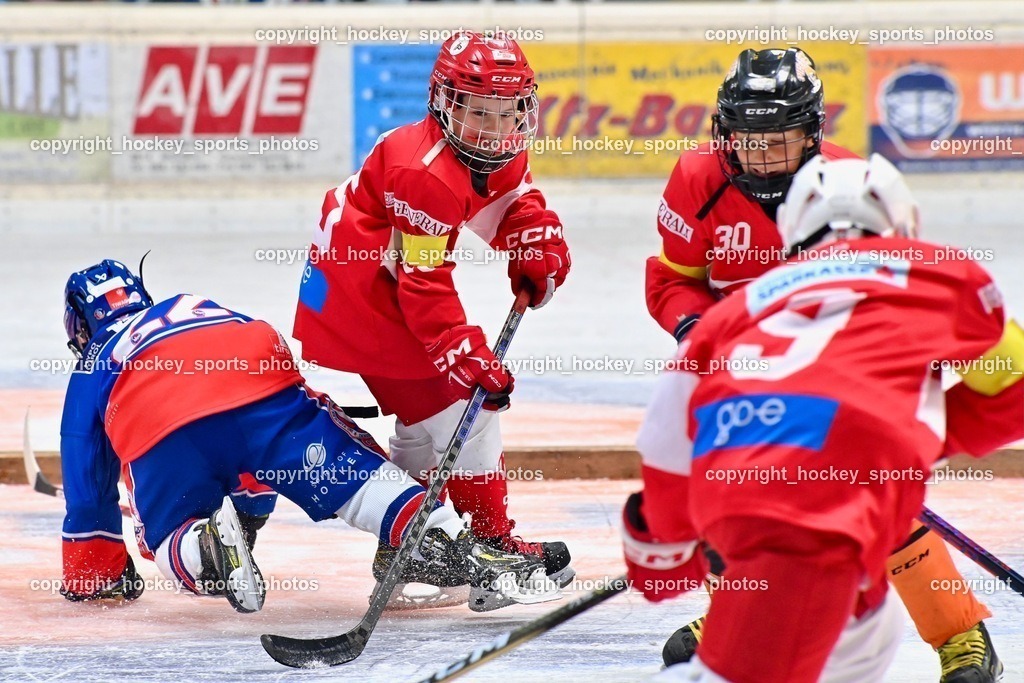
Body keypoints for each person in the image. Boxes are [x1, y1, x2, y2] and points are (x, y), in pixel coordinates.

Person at [644, 47, 1000, 681]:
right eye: (745, 141)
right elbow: (671, 279)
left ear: (811, 134)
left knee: (872, 509)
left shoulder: (851, 185)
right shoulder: (695, 180)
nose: (758, 158)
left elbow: (901, 297)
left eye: (776, 143)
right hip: (746, 368)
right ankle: (747, 608)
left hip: (847, 373)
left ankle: (961, 635)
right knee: (742, 491)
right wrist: (702, 331)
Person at [59, 259, 558, 613]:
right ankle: (446, 536)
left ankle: (204, 546)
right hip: (257, 381)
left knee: (170, 535)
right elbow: (263, 425)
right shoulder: (192, 304)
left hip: (160, 417)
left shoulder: (94, 363)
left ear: (80, 327)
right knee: (352, 471)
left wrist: (94, 574)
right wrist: (253, 513)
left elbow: (87, 483)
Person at [292, 31, 574, 588]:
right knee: (468, 412)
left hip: (372, 291)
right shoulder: (422, 175)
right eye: (479, 113)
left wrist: (532, 237)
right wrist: (460, 351)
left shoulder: (487, 146)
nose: (494, 130)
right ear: (445, 103)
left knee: (425, 430)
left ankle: (414, 553)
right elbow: (422, 282)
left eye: (506, 112)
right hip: (365, 304)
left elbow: (506, 198)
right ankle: (487, 542)